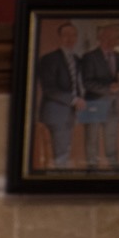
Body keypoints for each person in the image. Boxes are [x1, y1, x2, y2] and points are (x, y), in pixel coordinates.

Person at [35, 20, 86, 171]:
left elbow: (77, 83)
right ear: (59, 38)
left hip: (71, 114)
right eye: (66, 35)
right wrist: (74, 99)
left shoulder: (77, 59)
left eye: (73, 35)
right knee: (60, 155)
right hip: (56, 113)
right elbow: (49, 89)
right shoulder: (49, 59)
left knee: (67, 150)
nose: (70, 39)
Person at [77, 24, 119, 170]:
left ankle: (113, 163)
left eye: (115, 38)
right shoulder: (89, 57)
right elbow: (87, 82)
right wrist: (108, 88)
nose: (112, 41)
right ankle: (92, 167)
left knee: (112, 136)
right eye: (108, 37)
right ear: (100, 38)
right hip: (93, 103)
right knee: (92, 138)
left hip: (113, 104)